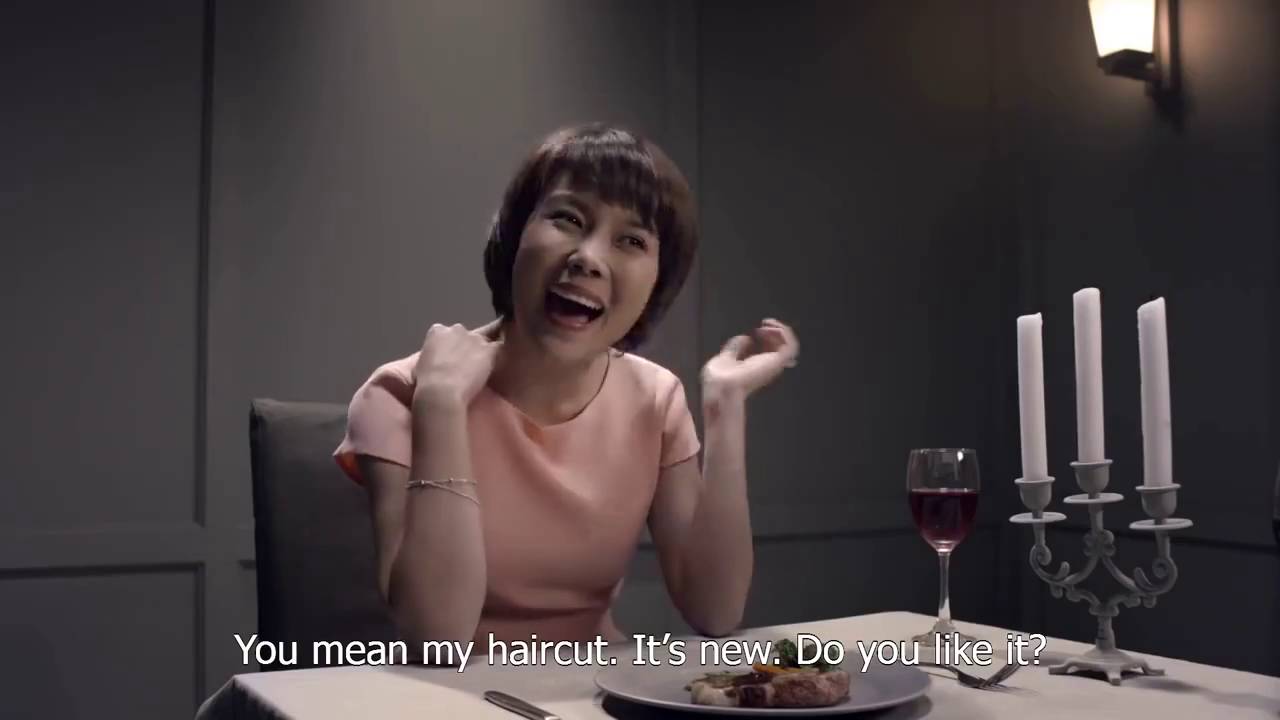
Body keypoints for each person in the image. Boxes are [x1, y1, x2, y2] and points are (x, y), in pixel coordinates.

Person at [334, 123, 799, 650]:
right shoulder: (401, 393)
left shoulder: (655, 398)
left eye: (631, 241)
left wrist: (725, 406)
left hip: (598, 684)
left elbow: (714, 611)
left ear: (656, 283)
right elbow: (437, 639)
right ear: (515, 235)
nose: (588, 258)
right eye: (568, 219)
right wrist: (440, 406)